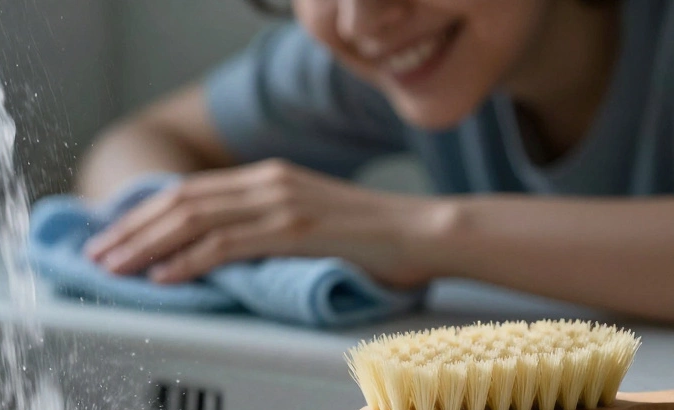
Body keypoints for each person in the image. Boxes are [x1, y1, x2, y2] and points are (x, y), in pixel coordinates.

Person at [77, 0, 674, 322]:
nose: (361, 20)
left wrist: (419, 234)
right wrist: (216, 244)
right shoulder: (394, 53)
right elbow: (136, 144)